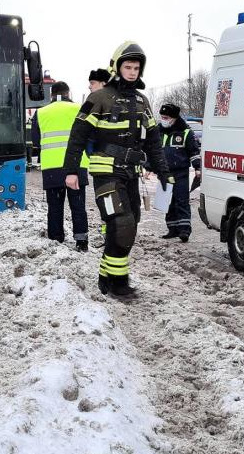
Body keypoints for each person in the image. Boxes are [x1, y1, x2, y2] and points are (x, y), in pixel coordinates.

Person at [63, 41, 172, 298]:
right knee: (120, 224)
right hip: (105, 172)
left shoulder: (142, 101)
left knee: (129, 224)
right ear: (117, 67)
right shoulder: (98, 98)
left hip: (131, 173)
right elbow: (77, 137)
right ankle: (119, 284)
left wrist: (164, 170)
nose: (133, 72)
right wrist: (70, 171)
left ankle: (105, 274)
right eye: (128, 66)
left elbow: (154, 141)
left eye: (136, 68)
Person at [30, 81, 89, 251]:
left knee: (55, 207)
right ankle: (81, 241)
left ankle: (56, 239)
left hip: (52, 168)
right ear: (68, 94)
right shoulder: (79, 109)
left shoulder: (41, 113)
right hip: (77, 166)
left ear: (51, 95)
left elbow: (36, 141)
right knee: (78, 206)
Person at [157, 103, 202, 241]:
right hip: (164, 173)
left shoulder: (186, 132)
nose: (163, 120)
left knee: (181, 200)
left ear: (174, 117)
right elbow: (153, 151)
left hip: (180, 172)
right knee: (167, 202)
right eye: (162, 117)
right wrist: (149, 166)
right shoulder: (158, 131)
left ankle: (184, 230)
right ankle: (172, 229)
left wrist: (198, 168)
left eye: (166, 117)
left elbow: (193, 151)